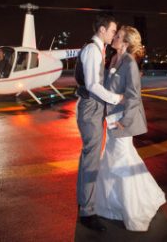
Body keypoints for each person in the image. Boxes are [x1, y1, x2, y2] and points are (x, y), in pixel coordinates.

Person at [95, 26, 166, 231]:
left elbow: (134, 95)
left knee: (121, 161)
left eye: (117, 37)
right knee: (116, 159)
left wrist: (124, 121)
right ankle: (117, 202)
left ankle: (133, 210)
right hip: (111, 117)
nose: (114, 38)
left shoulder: (129, 63)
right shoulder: (114, 59)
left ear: (125, 42)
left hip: (121, 119)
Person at [75, 14, 123, 232]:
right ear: (102, 30)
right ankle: (88, 211)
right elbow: (93, 84)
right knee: (91, 160)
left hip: (92, 107)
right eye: (113, 31)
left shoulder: (96, 49)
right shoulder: (93, 50)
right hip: (91, 108)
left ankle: (84, 202)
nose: (114, 35)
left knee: (88, 157)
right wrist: (116, 99)